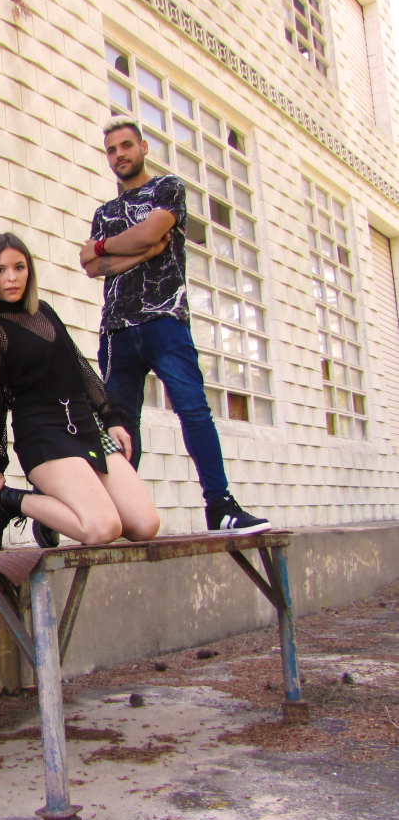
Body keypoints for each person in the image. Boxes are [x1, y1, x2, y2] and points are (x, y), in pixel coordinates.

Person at [79, 115, 270, 535]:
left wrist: (109, 247)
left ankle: (219, 505)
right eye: (111, 150)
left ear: (142, 147)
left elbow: (151, 232)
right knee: (119, 425)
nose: (119, 155)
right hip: (117, 330)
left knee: (193, 411)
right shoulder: (104, 212)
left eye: (126, 146)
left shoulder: (168, 188)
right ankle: (113, 511)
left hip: (165, 322)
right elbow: (90, 265)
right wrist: (140, 252)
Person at [0, 232, 161, 551]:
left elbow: (78, 366)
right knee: (103, 528)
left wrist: (111, 417)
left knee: (145, 525)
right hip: (43, 436)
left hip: (86, 428)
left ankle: (54, 504)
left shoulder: (43, 310)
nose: (11, 278)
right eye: (0, 270)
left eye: (19, 267)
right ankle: (6, 502)